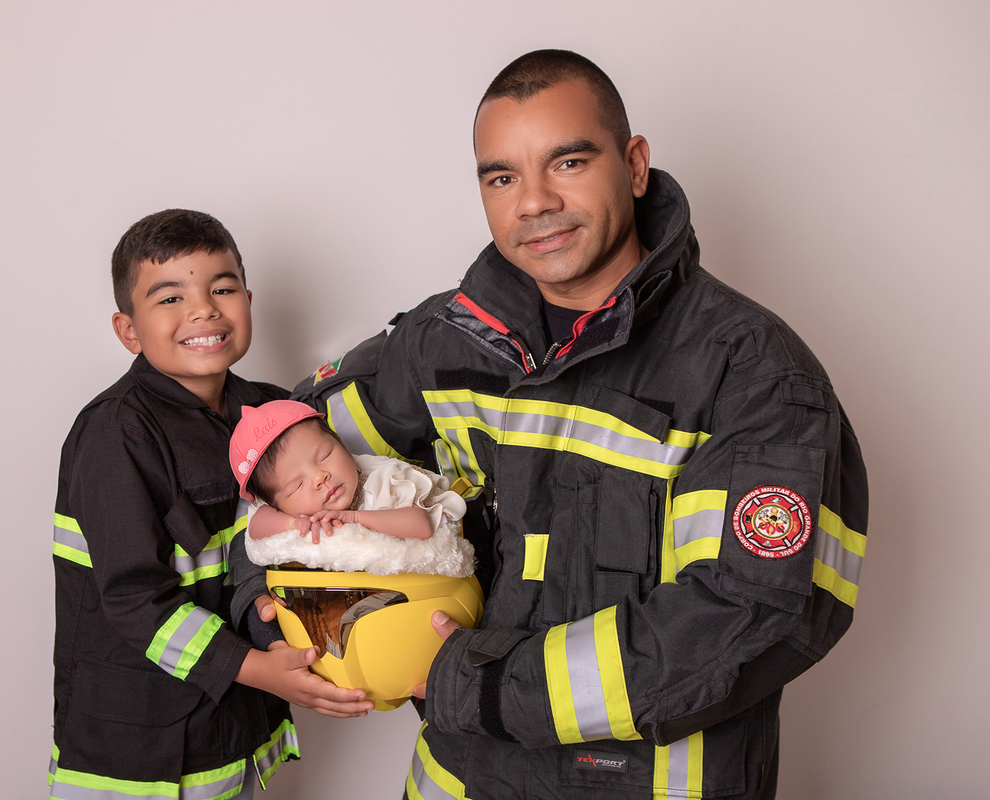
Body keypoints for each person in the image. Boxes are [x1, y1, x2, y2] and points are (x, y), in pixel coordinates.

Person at [241, 50, 869, 799]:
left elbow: (748, 616)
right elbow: (274, 456)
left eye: (567, 162)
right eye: (502, 177)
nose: (533, 202)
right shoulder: (445, 343)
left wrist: (479, 686)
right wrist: (279, 602)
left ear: (634, 165)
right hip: (459, 777)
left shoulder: (752, 374)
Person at [49, 210, 372, 800]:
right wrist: (259, 669)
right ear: (128, 330)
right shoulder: (116, 434)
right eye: (170, 297)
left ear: (248, 300)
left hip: (235, 733)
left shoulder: (273, 414)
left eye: (221, 288)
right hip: (139, 751)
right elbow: (132, 599)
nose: (203, 310)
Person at [230, 400, 473, 577]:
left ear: (343, 445)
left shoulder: (384, 480)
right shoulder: (290, 513)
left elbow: (421, 525)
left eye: (325, 456)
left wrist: (353, 518)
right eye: (298, 485)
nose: (319, 477)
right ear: (277, 504)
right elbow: (256, 526)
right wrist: (293, 524)